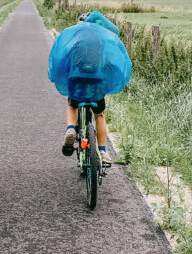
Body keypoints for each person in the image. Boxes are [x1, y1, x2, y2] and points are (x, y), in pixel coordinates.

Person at [48, 11, 132, 167]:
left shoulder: (75, 39)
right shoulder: (103, 41)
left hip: (76, 80)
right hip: (97, 81)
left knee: (72, 105)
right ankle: (103, 151)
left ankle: (71, 129)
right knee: (99, 114)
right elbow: (111, 62)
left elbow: (62, 59)